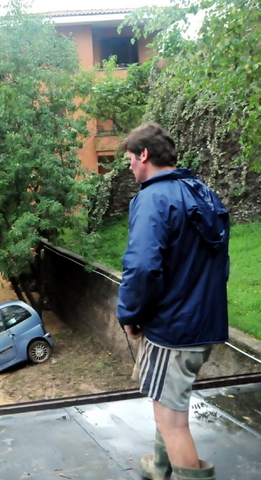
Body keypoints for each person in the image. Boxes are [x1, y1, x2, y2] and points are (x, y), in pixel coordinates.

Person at [116, 123, 229, 480]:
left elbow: (143, 266)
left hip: (174, 331)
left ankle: (180, 471)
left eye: (130, 160)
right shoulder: (202, 192)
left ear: (144, 155)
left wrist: (130, 314)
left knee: (173, 420)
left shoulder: (153, 198)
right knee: (168, 405)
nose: (129, 167)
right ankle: (161, 466)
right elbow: (220, 263)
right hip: (204, 324)